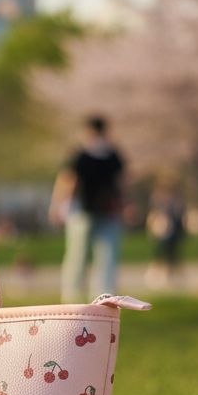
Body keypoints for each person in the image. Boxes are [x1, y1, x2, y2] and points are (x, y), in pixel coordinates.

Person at [50, 116, 125, 302]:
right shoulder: (99, 156)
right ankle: (83, 294)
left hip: (100, 212)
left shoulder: (98, 156)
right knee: (88, 255)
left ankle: (83, 295)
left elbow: (68, 181)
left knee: (92, 255)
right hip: (86, 211)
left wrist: (58, 204)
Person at [146, 170, 186, 286]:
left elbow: (179, 213)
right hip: (161, 229)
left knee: (173, 252)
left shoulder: (176, 197)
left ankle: (173, 273)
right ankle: (158, 272)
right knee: (160, 251)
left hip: (174, 228)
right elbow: (154, 213)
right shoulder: (158, 196)